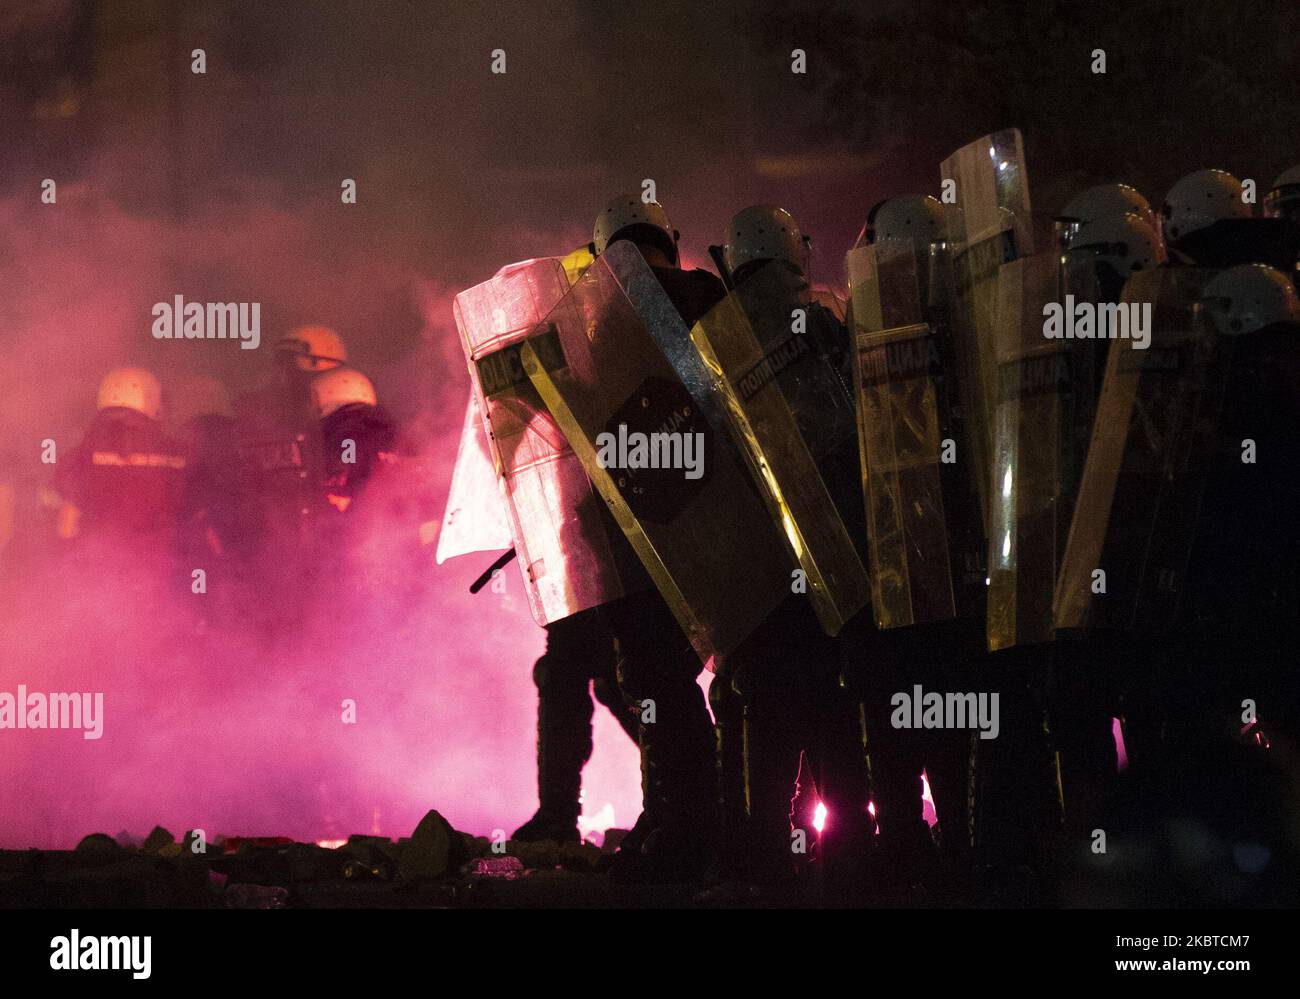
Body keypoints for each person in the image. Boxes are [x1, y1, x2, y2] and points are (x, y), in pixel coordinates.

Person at [590, 193, 728, 881]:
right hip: (725, 522)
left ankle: (687, 824)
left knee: (652, 677)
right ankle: (691, 816)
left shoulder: (595, 320)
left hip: (645, 534)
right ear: (666, 240)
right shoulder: (709, 291)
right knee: (722, 679)